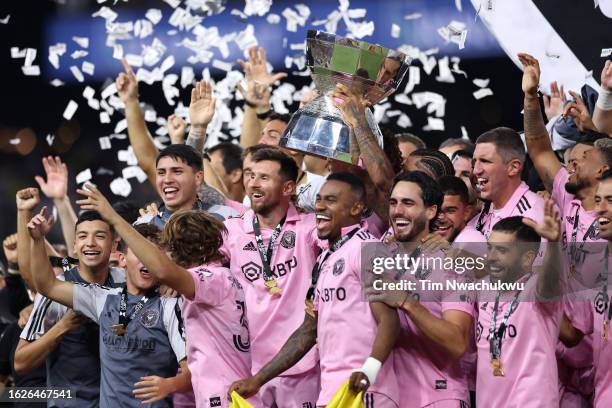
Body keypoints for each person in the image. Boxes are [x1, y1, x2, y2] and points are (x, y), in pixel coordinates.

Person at [76, 183, 262, 407]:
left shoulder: (210, 278)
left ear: (183, 250)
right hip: (223, 392)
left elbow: (162, 270)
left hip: (226, 396)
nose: (166, 254)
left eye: (169, 248)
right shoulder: (218, 276)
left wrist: (114, 219)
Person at [230, 172, 400, 407]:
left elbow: (390, 320)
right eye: (319, 199)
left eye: (330, 200)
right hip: (332, 392)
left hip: (368, 389)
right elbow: (309, 331)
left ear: (356, 207)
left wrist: (369, 371)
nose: (320, 206)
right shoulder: (325, 259)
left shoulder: (368, 249)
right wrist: (258, 380)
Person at [27, 204, 190, 408]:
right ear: (122, 258)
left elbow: (193, 372)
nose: (146, 262)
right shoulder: (102, 298)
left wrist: (170, 385)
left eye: (153, 256)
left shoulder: (171, 304)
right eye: (140, 255)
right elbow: (47, 285)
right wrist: (37, 240)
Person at [220, 147, 320, 407]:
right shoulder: (232, 229)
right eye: (250, 175)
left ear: (288, 188)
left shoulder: (310, 228)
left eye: (264, 177)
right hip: (248, 367)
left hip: (302, 367)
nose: (253, 182)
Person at [368, 171, 475, 408]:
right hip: (390, 396)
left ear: (431, 211)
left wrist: (406, 302)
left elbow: (458, 343)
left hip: (439, 396)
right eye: (394, 203)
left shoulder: (451, 263)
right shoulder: (383, 255)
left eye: (408, 203)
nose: (397, 211)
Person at [16, 211, 125, 408]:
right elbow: (21, 363)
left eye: (99, 236)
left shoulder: (125, 281)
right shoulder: (55, 291)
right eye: (82, 236)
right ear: (74, 246)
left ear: (114, 245)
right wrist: (62, 327)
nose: (90, 242)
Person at [476, 213, 563, 407]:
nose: (491, 258)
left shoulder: (535, 289)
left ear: (527, 258)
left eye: (502, 250)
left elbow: (550, 280)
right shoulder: (483, 288)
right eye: (490, 248)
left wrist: (554, 245)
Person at [467, 127, 545, 238]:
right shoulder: (488, 208)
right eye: (475, 162)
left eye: (485, 161)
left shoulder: (533, 214)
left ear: (513, 168)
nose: (476, 170)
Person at [137, 144, 238, 227]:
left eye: (177, 172)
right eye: (161, 173)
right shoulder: (144, 225)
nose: (167, 180)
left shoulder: (227, 217)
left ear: (198, 178)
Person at [434, 176, 484, 244]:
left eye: (450, 211)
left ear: (466, 212)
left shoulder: (472, 242)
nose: (441, 217)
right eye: (437, 210)